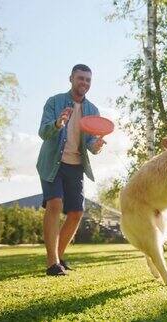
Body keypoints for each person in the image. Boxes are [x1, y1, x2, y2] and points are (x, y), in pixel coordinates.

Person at [36, 64, 106, 276]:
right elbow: (42, 132)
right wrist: (58, 124)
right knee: (55, 203)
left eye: (88, 80)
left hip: (76, 166)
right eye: (80, 78)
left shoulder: (93, 111)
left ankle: (58, 257)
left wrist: (96, 146)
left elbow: (91, 145)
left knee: (76, 213)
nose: (84, 83)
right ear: (71, 79)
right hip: (52, 163)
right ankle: (52, 264)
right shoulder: (54, 102)